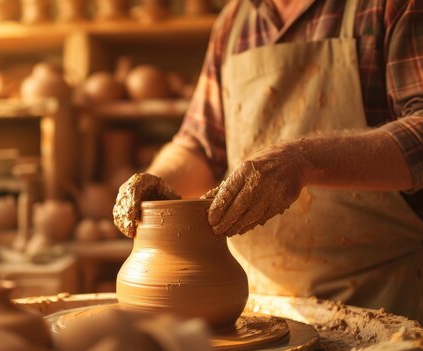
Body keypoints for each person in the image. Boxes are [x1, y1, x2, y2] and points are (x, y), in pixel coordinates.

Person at [113, 0, 423, 322]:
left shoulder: (388, 6)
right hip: (254, 304)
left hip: (381, 300)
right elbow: (200, 144)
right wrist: (157, 182)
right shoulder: (234, 22)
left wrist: (303, 161)